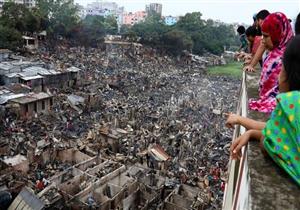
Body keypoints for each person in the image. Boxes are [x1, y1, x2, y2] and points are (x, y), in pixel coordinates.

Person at [226, 35, 300, 186]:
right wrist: (250, 130)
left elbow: (270, 142)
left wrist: (254, 132)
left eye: (281, 69)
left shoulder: (291, 102)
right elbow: (283, 131)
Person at [249, 12, 294, 113]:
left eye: (266, 36)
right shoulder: (275, 53)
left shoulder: (288, 57)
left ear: (277, 34)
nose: (263, 41)